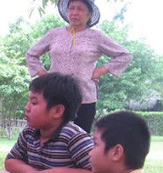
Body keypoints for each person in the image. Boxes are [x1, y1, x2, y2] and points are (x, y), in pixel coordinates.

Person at [26, 0, 132, 133]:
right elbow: (31, 54)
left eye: (80, 9)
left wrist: (100, 71)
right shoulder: (55, 34)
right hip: (54, 96)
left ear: (89, 14)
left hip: (84, 98)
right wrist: (44, 75)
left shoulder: (96, 36)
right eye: (72, 8)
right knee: (50, 136)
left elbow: (125, 55)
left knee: (79, 140)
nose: (74, 13)